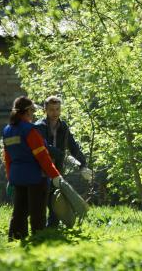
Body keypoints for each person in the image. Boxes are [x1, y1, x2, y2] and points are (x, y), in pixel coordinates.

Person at [2, 96, 64, 240]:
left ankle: (16, 238)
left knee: (19, 211)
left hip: (17, 177)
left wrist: (10, 177)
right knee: (37, 212)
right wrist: (55, 175)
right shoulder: (30, 130)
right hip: (36, 177)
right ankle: (39, 239)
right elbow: (42, 156)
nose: (33, 114)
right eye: (32, 110)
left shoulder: (7, 130)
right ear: (27, 111)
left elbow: (8, 158)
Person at [34, 96, 91, 227]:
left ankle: (52, 227)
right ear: (45, 110)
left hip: (56, 169)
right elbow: (43, 148)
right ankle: (39, 230)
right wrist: (61, 155)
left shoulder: (63, 126)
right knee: (41, 200)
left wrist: (83, 164)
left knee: (56, 199)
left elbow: (73, 146)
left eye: (57, 109)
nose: (55, 113)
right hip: (41, 169)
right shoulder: (39, 127)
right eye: (51, 110)